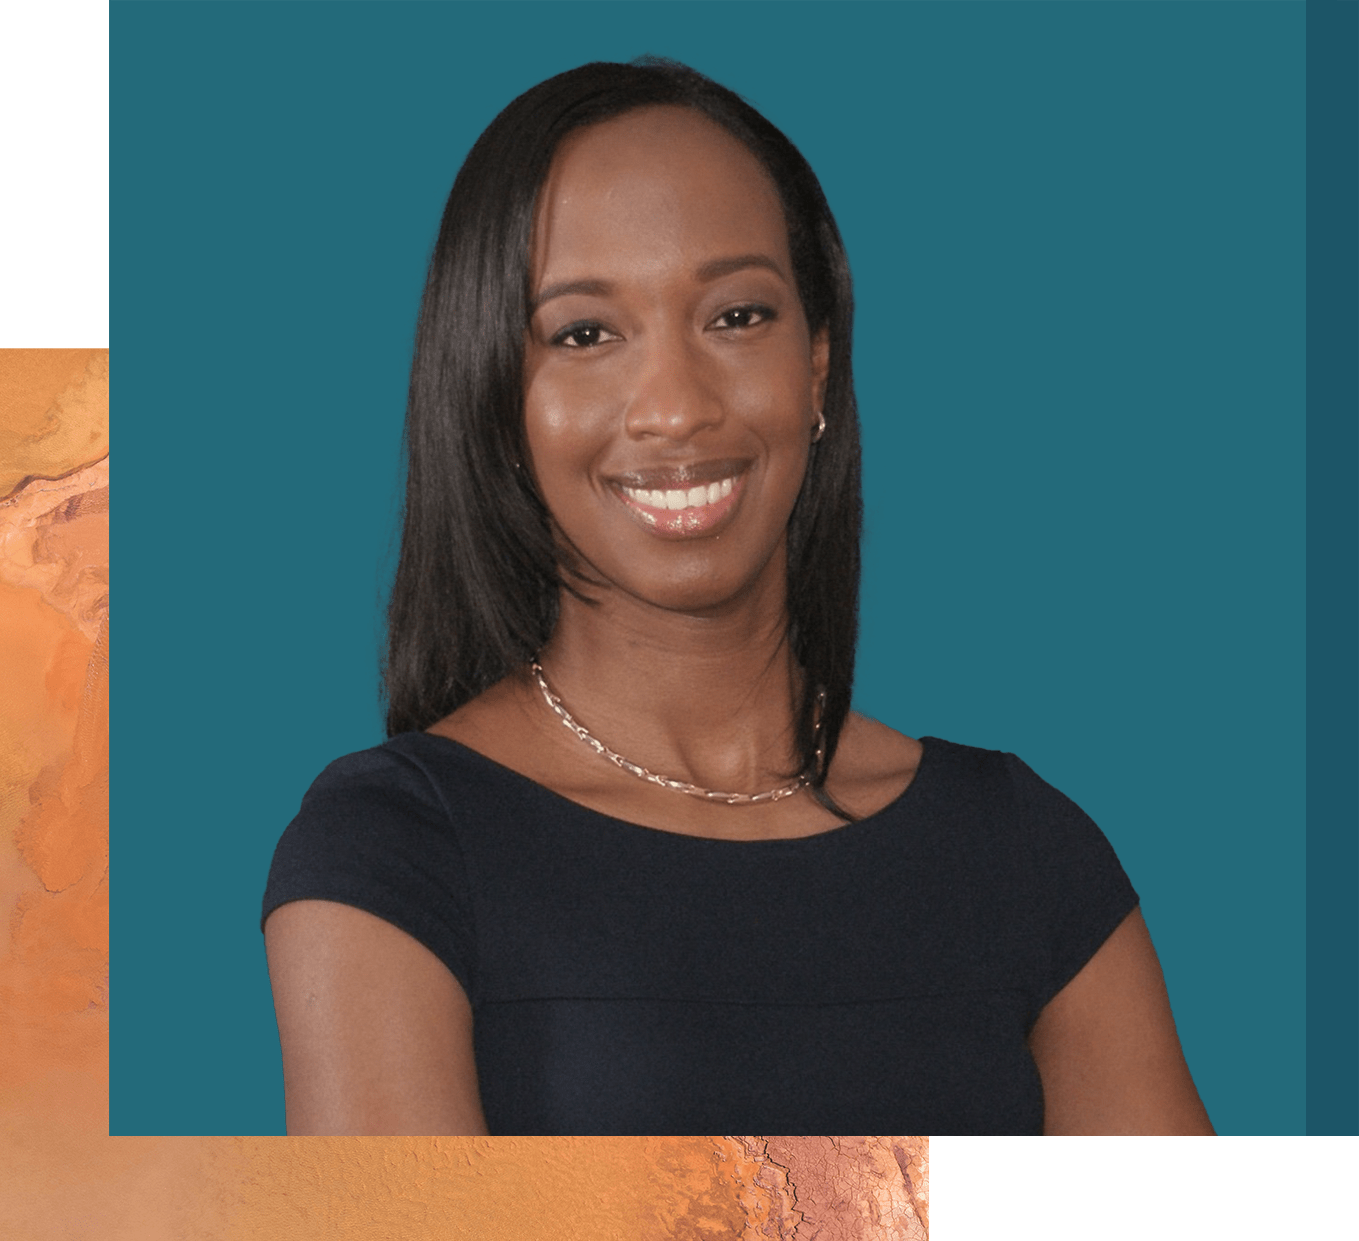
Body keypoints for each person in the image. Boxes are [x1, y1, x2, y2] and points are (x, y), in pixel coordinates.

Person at [261, 58, 1214, 1137]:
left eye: (737, 315)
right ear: (495, 394)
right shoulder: (396, 849)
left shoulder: (1025, 854)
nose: (673, 407)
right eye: (583, 333)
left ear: (817, 365)